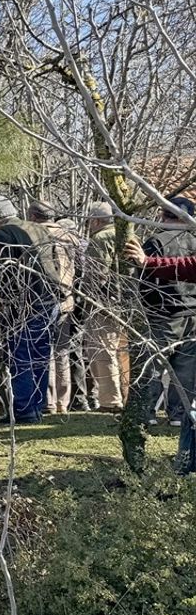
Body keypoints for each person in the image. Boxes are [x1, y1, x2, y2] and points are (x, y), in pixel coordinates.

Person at [121, 196, 196, 472]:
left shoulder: (154, 242)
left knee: (150, 366)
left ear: (163, 214)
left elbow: (146, 281)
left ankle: (146, 412)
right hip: (191, 313)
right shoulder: (193, 238)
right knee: (185, 370)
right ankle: (180, 414)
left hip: (163, 313)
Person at [0, 195, 63, 424]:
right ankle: (37, 406)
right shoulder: (38, 228)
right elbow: (55, 262)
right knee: (40, 356)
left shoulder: (2, 235)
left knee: (21, 355)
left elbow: (4, 275)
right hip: (50, 299)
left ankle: (23, 409)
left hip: (23, 304)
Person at [29, 202, 79, 414]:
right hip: (67, 299)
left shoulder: (35, 235)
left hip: (43, 300)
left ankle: (48, 400)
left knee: (44, 353)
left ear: (33, 215)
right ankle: (63, 402)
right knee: (62, 352)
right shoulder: (70, 237)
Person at [84, 202, 127, 412]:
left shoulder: (99, 239)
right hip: (127, 303)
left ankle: (110, 401)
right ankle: (127, 397)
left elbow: (96, 273)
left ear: (96, 220)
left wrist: (88, 298)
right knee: (125, 354)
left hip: (105, 303)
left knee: (103, 352)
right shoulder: (126, 233)